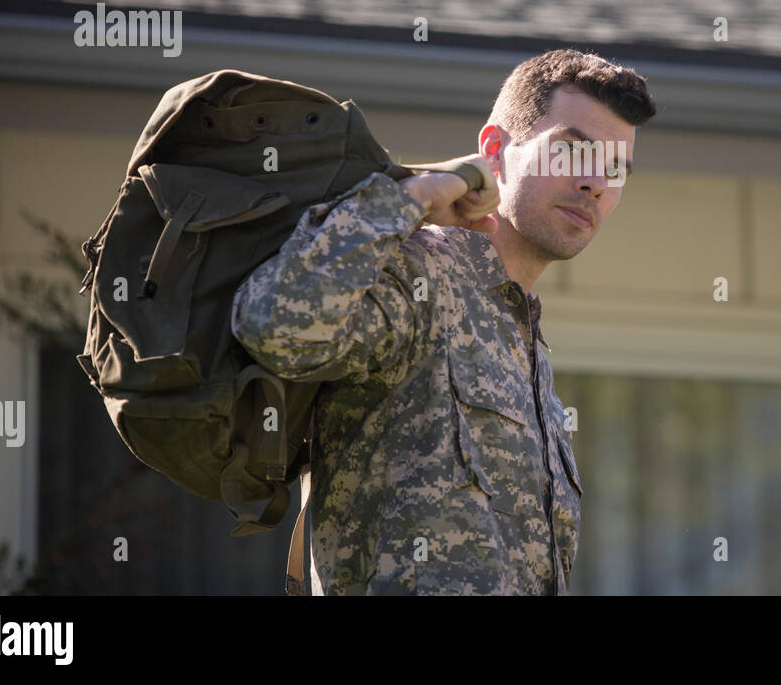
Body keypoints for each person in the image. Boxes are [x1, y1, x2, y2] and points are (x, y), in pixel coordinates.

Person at [231, 48, 656, 594]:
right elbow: (272, 324)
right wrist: (409, 200)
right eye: (572, 151)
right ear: (496, 151)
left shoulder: (527, 353)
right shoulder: (419, 275)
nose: (596, 182)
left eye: (615, 168)